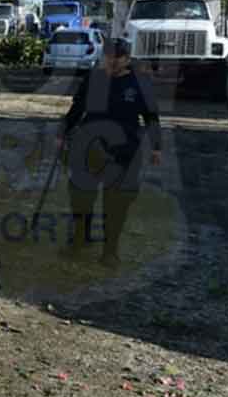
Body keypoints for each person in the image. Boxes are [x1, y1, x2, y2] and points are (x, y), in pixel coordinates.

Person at [57, 37, 162, 268]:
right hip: (89, 148)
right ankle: (79, 240)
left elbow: (151, 117)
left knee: (116, 202)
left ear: (127, 58)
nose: (113, 61)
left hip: (124, 151)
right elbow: (77, 108)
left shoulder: (140, 83)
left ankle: (110, 251)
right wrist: (62, 133)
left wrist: (156, 147)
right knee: (81, 197)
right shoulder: (93, 78)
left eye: (118, 57)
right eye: (109, 56)